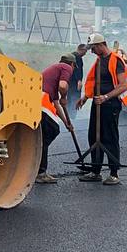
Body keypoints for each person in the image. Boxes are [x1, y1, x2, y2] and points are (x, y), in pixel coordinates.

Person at [79, 31, 127, 186]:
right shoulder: (99, 60)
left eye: (93, 48)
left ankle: (114, 173)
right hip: (97, 103)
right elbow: (95, 81)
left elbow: (123, 85)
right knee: (94, 136)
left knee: (109, 137)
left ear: (100, 45)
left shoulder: (115, 60)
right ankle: (95, 171)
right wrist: (85, 97)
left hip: (111, 104)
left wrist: (105, 97)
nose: (91, 51)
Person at [37, 55, 76, 184]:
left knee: (44, 136)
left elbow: (56, 104)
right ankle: (40, 172)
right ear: (72, 64)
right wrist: (64, 96)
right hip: (42, 100)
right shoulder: (66, 67)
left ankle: (38, 168)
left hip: (37, 99)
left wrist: (66, 123)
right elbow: (63, 86)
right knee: (51, 130)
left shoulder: (53, 70)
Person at [67, 43, 87, 114]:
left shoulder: (71, 56)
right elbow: (77, 70)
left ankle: (68, 115)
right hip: (74, 82)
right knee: (75, 98)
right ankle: (73, 115)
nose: (85, 53)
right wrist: (79, 80)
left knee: (69, 98)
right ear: (81, 49)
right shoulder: (78, 57)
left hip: (69, 81)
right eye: (85, 51)